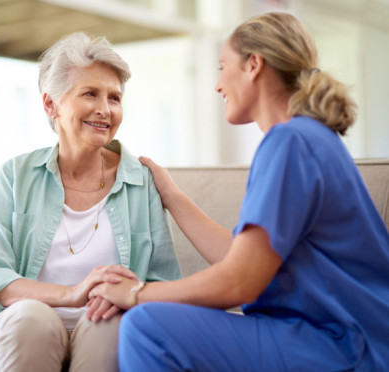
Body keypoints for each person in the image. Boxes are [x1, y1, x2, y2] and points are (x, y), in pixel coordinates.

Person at [88, 12, 389, 371]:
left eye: (221, 66)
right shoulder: (309, 138)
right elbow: (241, 257)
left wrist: (137, 294)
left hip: (341, 345)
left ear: (254, 65)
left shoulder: (290, 143)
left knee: (146, 326)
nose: (218, 85)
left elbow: (239, 282)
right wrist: (170, 194)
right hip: (343, 338)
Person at [0, 32, 181, 372]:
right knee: (33, 321)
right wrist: (71, 294)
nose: (105, 109)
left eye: (114, 98)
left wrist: (128, 294)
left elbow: (163, 281)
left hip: (103, 322)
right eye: (90, 93)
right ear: (50, 104)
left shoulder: (141, 181)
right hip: (23, 322)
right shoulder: (15, 175)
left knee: (112, 325)